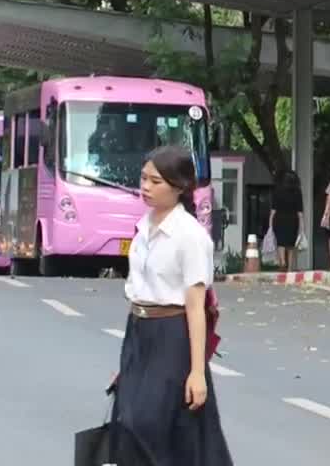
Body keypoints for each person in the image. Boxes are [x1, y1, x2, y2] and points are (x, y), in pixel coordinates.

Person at [112, 145, 232, 465]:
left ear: (179, 187)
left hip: (171, 336)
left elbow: (196, 308)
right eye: (143, 179)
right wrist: (127, 362)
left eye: (155, 181)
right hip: (138, 333)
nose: (146, 187)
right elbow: (138, 294)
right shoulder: (142, 229)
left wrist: (197, 373)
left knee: (148, 424)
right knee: (126, 422)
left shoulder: (190, 237)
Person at [268, 169, 303, 272]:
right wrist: (302, 227)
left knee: (281, 243)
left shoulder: (278, 191)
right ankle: (290, 267)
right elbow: (300, 212)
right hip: (293, 221)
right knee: (291, 245)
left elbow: (273, 210)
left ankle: (282, 262)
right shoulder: (297, 192)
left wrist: (270, 225)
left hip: (279, 219)